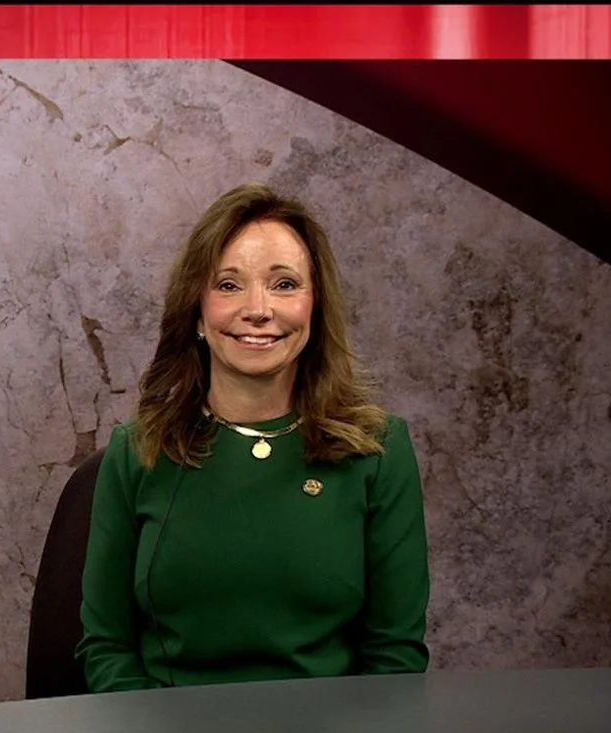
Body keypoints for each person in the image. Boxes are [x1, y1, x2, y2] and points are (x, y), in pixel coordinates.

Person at [78, 183, 429, 693]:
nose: (258, 309)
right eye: (228, 285)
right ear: (197, 310)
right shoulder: (139, 450)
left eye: (284, 284)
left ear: (316, 305)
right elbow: (107, 647)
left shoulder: (377, 451)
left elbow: (395, 655)